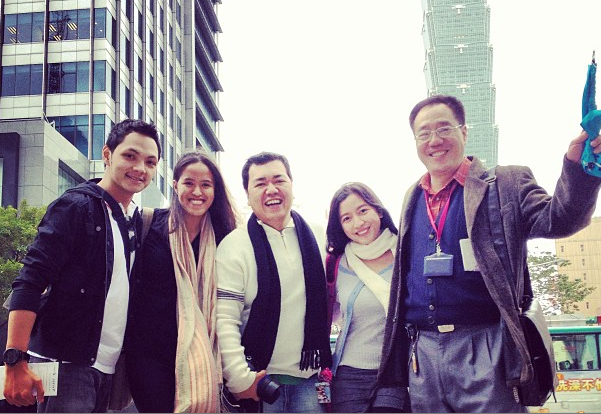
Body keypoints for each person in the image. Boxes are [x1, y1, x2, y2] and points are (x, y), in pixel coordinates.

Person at [376, 94, 601, 413]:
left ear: (464, 132)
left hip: (486, 346)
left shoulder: (504, 183)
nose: (434, 140)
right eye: (424, 133)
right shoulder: (411, 196)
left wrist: (577, 170)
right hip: (422, 352)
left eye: (444, 128)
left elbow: (560, 219)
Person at [3, 119, 161, 413]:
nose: (140, 168)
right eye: (130, 156)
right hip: (65, 367)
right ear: (107, 154)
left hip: (107, 370)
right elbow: (30, 281)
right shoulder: (76, 207)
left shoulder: (134, 222)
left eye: (150, 162)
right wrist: (15, 360)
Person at [216, 152, 332, 413]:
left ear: (291, 184)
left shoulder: (318, 235)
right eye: (260, 183)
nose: (271, 189)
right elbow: (224, 319)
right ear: (247, 194)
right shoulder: (235, 245)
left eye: (279, 180)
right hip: (260, 382)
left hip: (310, 380)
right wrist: (241, 379)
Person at [125, 150, 237, 413]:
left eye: (206, 185)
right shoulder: (148, 225)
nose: (197, 191)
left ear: (215, 190)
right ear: (175, 186)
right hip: (149, 356)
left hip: (206, 355)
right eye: (189, 183)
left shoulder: (226, 237)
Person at [325, 182, 408, 413]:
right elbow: (322, 314)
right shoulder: (338, 263)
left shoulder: (405, 252)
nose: (358, 223)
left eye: (363, 211)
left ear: (378, 211)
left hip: (395, 369)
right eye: (347, 218)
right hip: (349, 373)